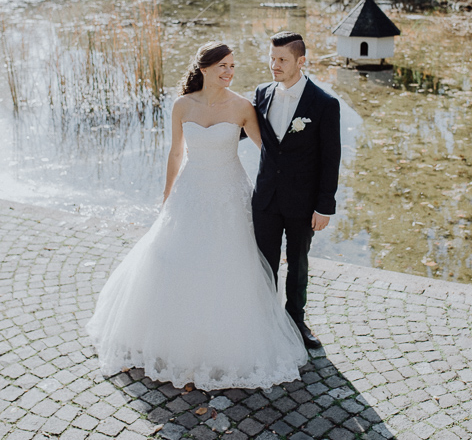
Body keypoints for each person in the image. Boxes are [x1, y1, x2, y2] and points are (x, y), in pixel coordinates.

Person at [86, 42, 307, 391]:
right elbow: (176, 152)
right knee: (175, 260)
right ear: (203, 68)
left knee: (231, 264)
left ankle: (226, 343)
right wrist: (167, 193)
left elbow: (270, 151)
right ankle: (170, 339)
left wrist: (299, 176)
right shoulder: (181, 106)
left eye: (232, 66)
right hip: (191, 191)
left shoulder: (243, 107)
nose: (228, 72)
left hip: (230, 193)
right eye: (222, 65)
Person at [251, 31, 341, 350]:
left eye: (282, 60)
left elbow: (331, 160)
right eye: (272, 58)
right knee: (264, 262)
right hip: (265, 198)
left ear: (300, 61)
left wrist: (324, 207)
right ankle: (264, 317)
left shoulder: (324, 103)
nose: (274, 65)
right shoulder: (262, 93)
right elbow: (242, 130)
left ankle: (296, 320)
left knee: (298, 263)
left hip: (303, 202)